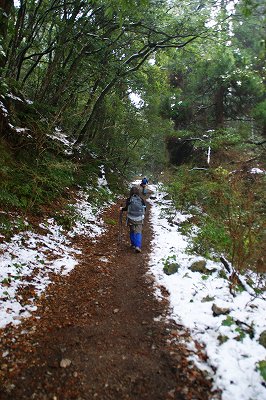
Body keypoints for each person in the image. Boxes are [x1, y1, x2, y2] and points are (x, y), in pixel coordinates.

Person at [120, 186, 146, 253]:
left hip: (131, 218)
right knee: (138, 232)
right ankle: (138, 246)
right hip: (139, 218)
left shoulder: (129, 199)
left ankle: (133, 244)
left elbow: (126, 208)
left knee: (132, 231)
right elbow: (144, 209)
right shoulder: (141, 199)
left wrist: (121, 209)